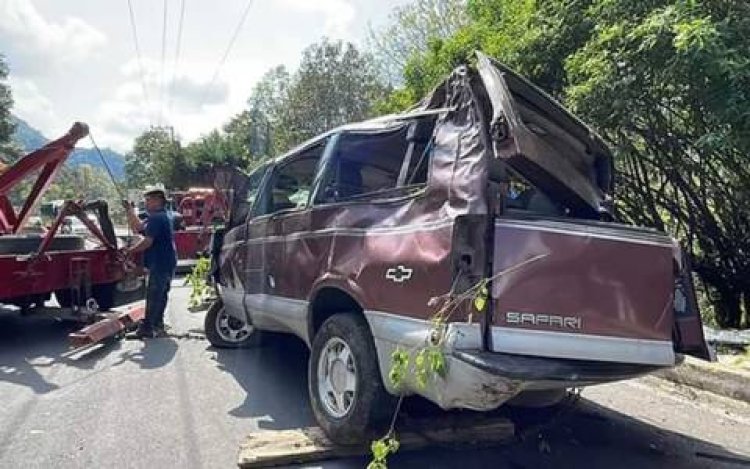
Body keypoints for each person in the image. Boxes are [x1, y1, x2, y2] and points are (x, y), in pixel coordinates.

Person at [122, 188, 177, 338]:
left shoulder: (157, 218)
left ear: (157, 200)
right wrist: (129, 210)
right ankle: (157, 324)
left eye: (148, 200)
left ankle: (147, 328)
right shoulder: (159, 216)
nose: (145, 203)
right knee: (161, 294)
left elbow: (147, 242)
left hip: (160, 262)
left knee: (154, 294)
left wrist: (130, 251)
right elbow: (138, 228)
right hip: (166, 261)